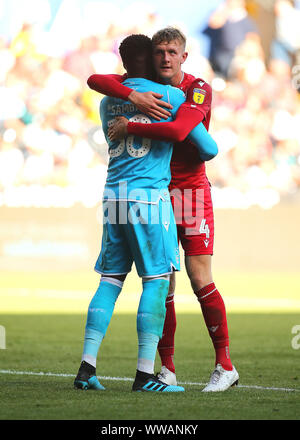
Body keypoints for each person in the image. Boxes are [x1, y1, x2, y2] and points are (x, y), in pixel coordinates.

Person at [87, 27, 239, 392]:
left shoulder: (195, 88)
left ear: (183, 56)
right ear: (152, 56)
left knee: (199, 277)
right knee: (163, 283)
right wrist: (133, 97)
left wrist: (132, 125)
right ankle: (166, 368)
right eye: (159, 52)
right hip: (157, 194)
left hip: (189, 192)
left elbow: (184, 132)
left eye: (172, 52)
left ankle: (224, 365)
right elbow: (96, 78)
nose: (165, 58)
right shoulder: (147, 87)